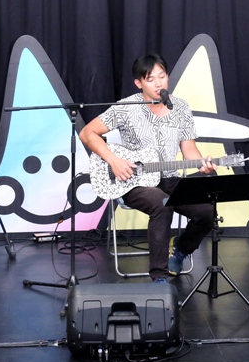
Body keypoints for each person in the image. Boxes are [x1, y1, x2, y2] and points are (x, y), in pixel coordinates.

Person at [80, 53, 217, 283]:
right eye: (150, 79)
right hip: (135, 180)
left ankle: (181, 250)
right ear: (139, 83)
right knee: (162, 205)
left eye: (162, 76)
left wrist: (202, 164)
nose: (158, 83)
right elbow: (87, 133)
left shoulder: (180, 107)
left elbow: (189, 148)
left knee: (207, 211)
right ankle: (159, 278)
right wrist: (114, 160)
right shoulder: (126, 107)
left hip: (169, 178)